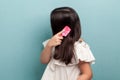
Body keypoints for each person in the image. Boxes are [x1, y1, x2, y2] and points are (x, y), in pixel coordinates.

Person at [40, 7, 95, 80]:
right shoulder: (52, 42)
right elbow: (44, 61)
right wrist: (49, 45)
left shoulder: (78, 47)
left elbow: (87, 74)